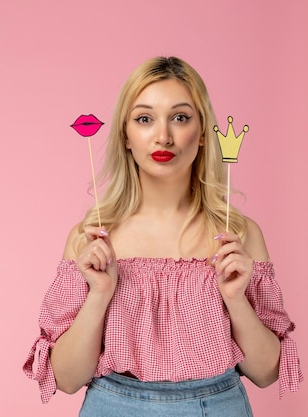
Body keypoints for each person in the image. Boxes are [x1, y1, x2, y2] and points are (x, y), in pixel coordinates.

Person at [23, 56, 302, 416]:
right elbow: (66, 379)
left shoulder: (238, 236)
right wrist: (100, 294)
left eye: (180, 117)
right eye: (144, 119)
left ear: (202, 133)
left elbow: (265, 373)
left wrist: (235, 298)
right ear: (125, 135)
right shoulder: (92, 239)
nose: (163, 136)